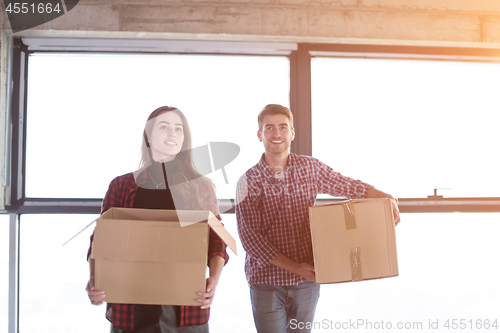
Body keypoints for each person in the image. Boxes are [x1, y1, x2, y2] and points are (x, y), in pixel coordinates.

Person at [235, 104, 400, 333]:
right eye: (269, 128)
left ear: (292, 132)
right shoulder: (248, 181)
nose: (276, 133)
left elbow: (347, 185)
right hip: (267, 283)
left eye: (283, 127)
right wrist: (295, 267)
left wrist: (387, 197)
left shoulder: (310, 168)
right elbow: (250, 239)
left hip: (307, 284)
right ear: (259, 134)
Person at [86, 106, 229, 333]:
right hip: (131, 307)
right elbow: (100, 241)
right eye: (164, 127)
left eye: (178, 129)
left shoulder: (201, 187)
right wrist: (96, 279)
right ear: (148, 136)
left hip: (185, 305)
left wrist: (214, 279)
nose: (172, 133)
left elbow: (217, 239)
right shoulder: (121, 186)